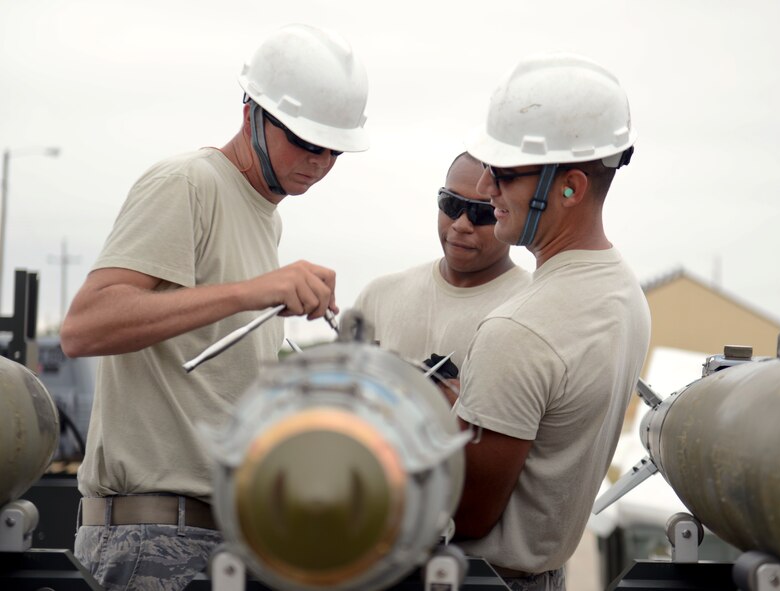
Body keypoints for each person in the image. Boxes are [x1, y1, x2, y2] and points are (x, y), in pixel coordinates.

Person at [60, 24, 369, 591]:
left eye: (334, 149)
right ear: (251, 112)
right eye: (305, 140)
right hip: (152, 540)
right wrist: (258, 291)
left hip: (222, 538)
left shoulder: (263, 217)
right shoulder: (187, 184)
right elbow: (85, 327)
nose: (319, 161)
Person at [449, 53, 652, 591]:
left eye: (506, 173)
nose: (486, 186)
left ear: (571, 188)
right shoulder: (625, 291)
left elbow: (467, 518)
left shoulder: (519, 329)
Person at [353, 151, 532, 371]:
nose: (461, 225)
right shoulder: (378, 296)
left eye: (482, 211)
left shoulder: (534, 308)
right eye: (451, 204)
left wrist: (463, 401)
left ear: (508, 213)